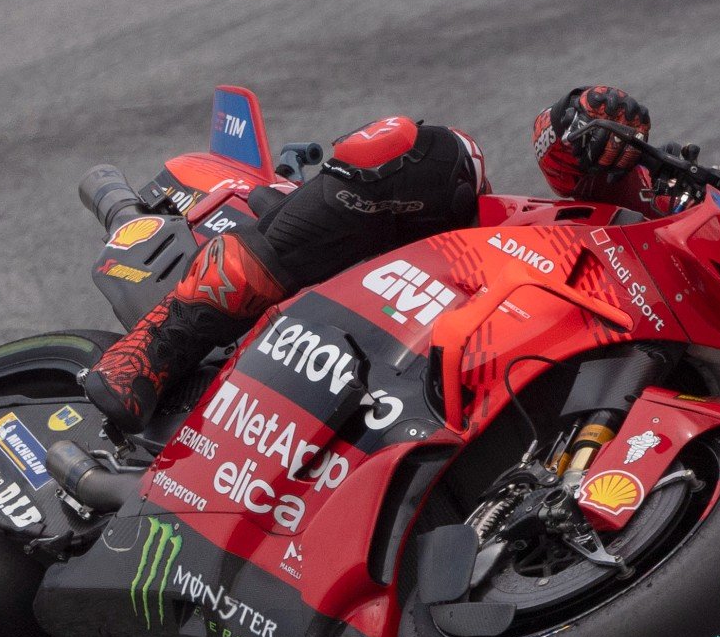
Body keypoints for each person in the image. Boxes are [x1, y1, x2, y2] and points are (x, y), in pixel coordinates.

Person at [81, 85, 655, 433]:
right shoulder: (660, 216)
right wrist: (601, 148)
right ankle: (155, 350)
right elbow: (603, 200)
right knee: (430, 154)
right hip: (420, 266)